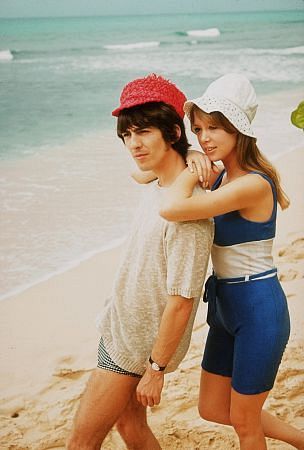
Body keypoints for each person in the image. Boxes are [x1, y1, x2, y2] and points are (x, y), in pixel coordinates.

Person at [66, 73, 213, 450]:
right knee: (131, 429)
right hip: (119, 326)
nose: (134, 144)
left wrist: (156, 369)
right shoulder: (160, 179)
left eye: (144, 131)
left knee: (82, 441)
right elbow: (140, 171)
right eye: (127, 135)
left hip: (134, 348)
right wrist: (191, 154)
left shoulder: (188, 211)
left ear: (172, 132)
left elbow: (182, 299)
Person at [160, 73, 304, 450]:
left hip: (259, 309)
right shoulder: (222, 176)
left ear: (239, 130)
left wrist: (192, 168)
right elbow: (143, 172)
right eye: (198, 129)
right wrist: (193, 157)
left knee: (244, 421)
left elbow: (173, 207)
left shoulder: (253, 184)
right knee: (212, 408)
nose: (204, 137)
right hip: (225, 307)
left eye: (214, 128)